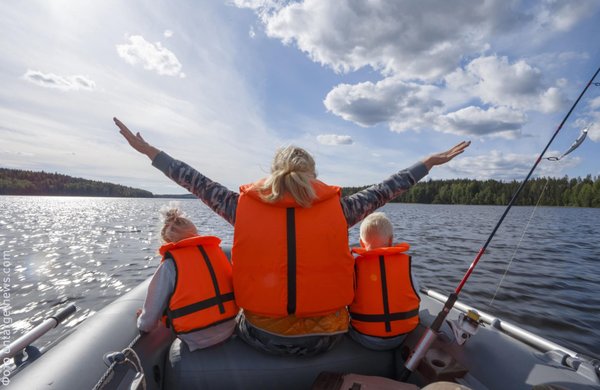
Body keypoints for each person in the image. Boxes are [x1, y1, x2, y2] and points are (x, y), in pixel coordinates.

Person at [115, 117, 470, 356]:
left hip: (264, 337)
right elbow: (387, 188)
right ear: (313, 175)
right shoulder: (342, 210)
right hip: (327, 339)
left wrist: (150, 153)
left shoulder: (240, 207)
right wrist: (427, 163)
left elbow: (192, 180)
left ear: (273, 173)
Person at [137, 206, 238, 351]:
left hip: (195, 337)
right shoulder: (217, 253)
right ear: (196, 234)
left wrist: (142, 322)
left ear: (166, 240)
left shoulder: (169, 265)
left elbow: (147, 323)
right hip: (229, 327)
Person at [348, 212, 420, 351]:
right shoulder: (406, 266)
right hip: (402, 335)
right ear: (391, 240)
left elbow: (346, 299)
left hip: (364, 336)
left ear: (362, 243)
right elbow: (415, 294)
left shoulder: (354, 268)